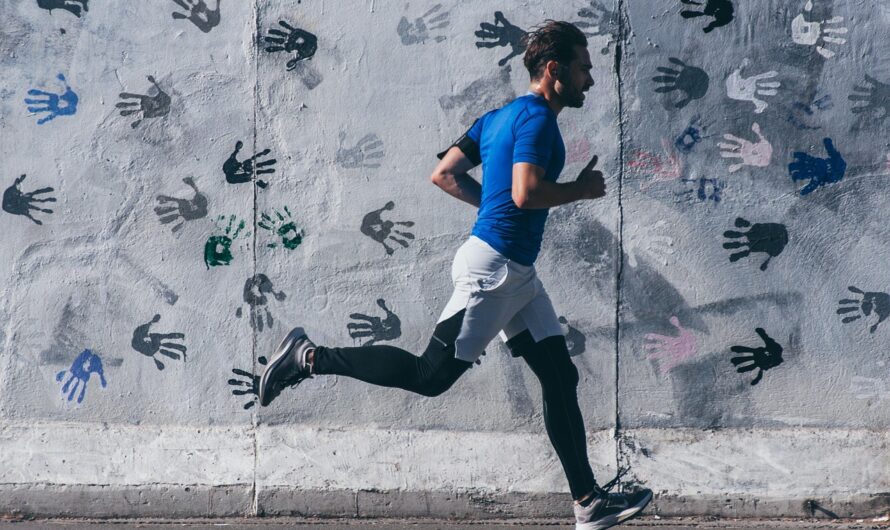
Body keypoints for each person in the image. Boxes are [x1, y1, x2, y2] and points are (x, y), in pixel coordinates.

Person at [258, 19, 652, 530]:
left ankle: (588, 503)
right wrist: (579, 189)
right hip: (494, 271)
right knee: (431, 377)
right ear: (554, 69)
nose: (590, 81)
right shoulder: (536, 121)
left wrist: (492, 212)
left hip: (516, 272)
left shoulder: (495, 117)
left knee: (560, 374)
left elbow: (444, 173)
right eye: (583, 70)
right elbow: (525, 194)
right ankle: (308, 357)